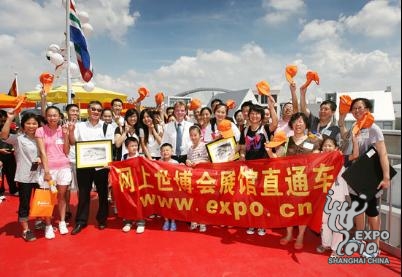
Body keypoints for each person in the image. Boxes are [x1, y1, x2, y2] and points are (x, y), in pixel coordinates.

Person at [338, 97, 391, 258]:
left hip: (369, 176)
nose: (357, 111)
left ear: (367, 109)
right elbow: (346, 146)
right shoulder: (355, 127)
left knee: (372, 211)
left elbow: (383, 153)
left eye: (360, 108)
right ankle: (360, 240)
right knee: (358, 210)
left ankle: (375, 245)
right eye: (354, 109)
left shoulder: (374, 128)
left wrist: (386, 176)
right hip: (356, 176)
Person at [68, 101, 115, 235]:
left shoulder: (107, 127)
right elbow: (72, 142)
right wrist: (70, 131)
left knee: (103, 193)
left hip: (101, 166)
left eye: (99, 110)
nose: (96, 112)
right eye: (93, 109)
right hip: (83, 165)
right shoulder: (79, 126)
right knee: (83, 194)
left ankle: (102, 219)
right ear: (88, 110)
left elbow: (109, 145)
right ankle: (81, 221)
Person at [278, 112, 321, 250]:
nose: (298, 124)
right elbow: (278, 158)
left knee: (302, 210)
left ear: (306, 124)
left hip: (304, 181)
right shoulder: (285, 140)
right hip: (287, 180)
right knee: (288, 209)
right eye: (296, 121)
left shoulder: (313, 141)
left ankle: (301, 235)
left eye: (301, 121)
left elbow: (317, 161)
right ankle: (289, 234)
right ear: (291, 124)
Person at [0, 111, 42, 241]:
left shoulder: (41, 137)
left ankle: (39, 221)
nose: (31, 126)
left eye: (34, 123)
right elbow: (4, 136)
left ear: (38, 125)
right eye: (28, 123)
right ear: (23, 125)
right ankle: (26, 229)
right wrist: (10, 119)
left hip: (40, 175)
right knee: (25, 203)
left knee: (40, 200)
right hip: (24, 176)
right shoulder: (18, 138)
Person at [316, 135, 358, 257]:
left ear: (335, 147)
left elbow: (355, 155)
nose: (327, 147)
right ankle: (325, 244)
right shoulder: (318, 159)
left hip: (338, 195)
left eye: (330, 145)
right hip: (323, 195)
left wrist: (355, 141)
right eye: (325, 145)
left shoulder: (340, 158)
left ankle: (336, 248)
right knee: (324, 222)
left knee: (337, 222)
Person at [36, 106, 72, 235]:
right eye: (50, 115)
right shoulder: (40, 131)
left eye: (55, 115)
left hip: (64, 167)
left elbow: (66, 151)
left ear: (59, 116)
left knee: (61, 197)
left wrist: (66, 135)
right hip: (49, 169)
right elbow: (42, 152)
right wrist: (46, 172)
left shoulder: (63, 130)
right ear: (46, 117)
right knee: (48, 198)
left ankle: (62, 222)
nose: (52, 118)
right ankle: (48, 225)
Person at [238, 104, 273, 236]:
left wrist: (272, 105)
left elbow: (275, 122)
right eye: (252, 113)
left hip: (264, 169)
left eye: (258, 113)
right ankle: (252, 223)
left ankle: (262, 224)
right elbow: (242, 147)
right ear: (249, 115)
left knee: (262, 197)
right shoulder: (245, 130)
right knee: (250, 197)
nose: (255, 115)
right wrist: (242, 155)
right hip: (248, 169)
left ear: (261, 116)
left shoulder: (265, 129)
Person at [185, 125, 210, 232]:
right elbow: (188, 160)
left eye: (195, 135)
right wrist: (188, 162)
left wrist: (200, 162)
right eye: (191, 135)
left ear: (200, 135)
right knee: (193, 200)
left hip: (203, 178)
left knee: (203, 200)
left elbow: (210, 160)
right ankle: (194, 220)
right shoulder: (190, 149)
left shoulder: (205, 146)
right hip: (193, 178)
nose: (193, 137)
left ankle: (203, 221)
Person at [120, 137, 146, 234]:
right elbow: (119, 168)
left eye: (136, 145)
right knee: (128, 202)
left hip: (139, 184)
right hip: (128, 184)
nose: (134, 148)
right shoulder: (124, 157)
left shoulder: (141, 156)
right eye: (132, 146)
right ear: (127, 147)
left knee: (140, 203)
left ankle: (141, 222)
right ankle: (128, 221)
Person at [65, 104, 80, 223]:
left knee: (82, 187)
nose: (74, 113)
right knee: (66, 188)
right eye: (72, 111)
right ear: (67, 112)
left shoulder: (83, 125)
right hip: (66, 160)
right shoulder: (62, 125)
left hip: (81, 160)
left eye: (76, 111)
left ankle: (81, 208)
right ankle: (67, 210)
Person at [160, 143, 179, 231]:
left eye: (167, 150)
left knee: (173, 205)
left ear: (172, 152)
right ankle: (166, 220)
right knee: (164, 205)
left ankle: (173, 221)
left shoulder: (175, 162)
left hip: (173, 189)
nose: (165, 152)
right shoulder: (158, 162)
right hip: (163, 188)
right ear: (161, 152)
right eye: (163, 150)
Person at [0, 109, 18, 197]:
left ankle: (13, 189)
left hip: (10, 155)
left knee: (11, 173)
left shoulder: (11, 130)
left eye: (5, 120)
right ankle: (1, 190)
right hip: (0, 156)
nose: (3, 123)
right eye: (2, 121)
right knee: (0, 175)